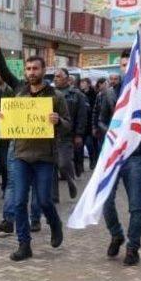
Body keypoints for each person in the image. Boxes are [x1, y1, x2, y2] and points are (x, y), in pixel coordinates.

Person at [0, 36, 70, 262]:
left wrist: (58, 121)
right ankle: (24, 244)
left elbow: (68, 125)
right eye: (28, 68)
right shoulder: (19, 92)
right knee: (18, 202)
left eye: (35, 68)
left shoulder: (55, 97)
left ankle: (55, 224)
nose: (31, 72)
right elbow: (4, 71)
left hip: (45, 157)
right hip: (20, 155)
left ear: (43, 70)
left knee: (45, 200)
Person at [98, 49, 141, 266]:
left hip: (136, 156)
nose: (127, 69)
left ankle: (133, 247)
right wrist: (112, 131)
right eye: (123, 65)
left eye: (131, 65)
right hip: (113, 154)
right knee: (106, 199)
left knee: (136, 205)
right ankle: (116, 234)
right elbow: (100, 121)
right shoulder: (109, 94)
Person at [53, 68, 86, 196]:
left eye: (59, 76)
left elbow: (82, 116)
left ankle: (71, 181)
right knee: (51, 167)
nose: (55, 78)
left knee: (63, 163)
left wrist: (79, 134)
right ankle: (53, 195)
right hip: (50, 135)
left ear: (67, 78)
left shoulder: (77, 95)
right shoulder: (49, 93)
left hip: (66, 134)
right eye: (55, 76)